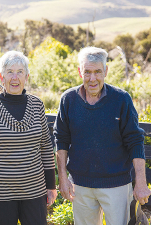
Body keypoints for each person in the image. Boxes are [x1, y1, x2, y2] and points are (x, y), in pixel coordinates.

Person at [53, 46, 151, 225]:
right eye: (87, 72)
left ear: (106, 71)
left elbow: (135, 141)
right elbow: (61, 139)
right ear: (79, 71)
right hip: (80, 185)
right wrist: (62, 178)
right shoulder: (68, 99)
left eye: (98, 72)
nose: (92, 78)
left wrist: (141, 182)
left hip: (117, 185)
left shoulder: (121, 99)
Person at [0, 51, 57, 225]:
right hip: (1, 194)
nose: (15, 77)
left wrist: (51, 186)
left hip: (35, 191)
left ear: (27, 76)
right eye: (10, 72)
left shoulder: (37, 105)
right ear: (1, 76)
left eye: (20, 72)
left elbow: (46, 148)